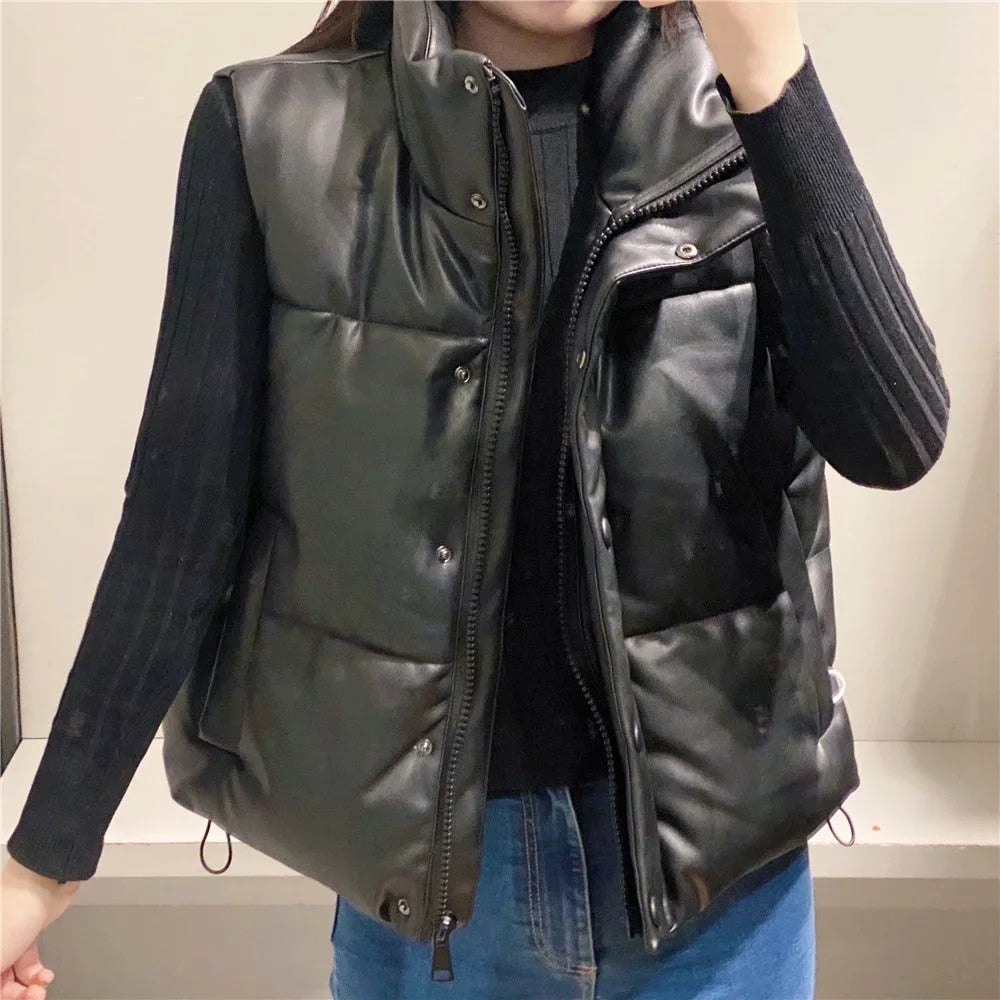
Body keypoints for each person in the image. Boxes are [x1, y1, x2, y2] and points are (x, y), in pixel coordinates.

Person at [1, 1, 949, 998]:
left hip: (725, 901)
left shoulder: (736, 114)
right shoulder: (275, 133)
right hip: (439, 901)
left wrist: (773, 80)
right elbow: (178, 523)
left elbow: (893, 439)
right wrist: (41, 863)